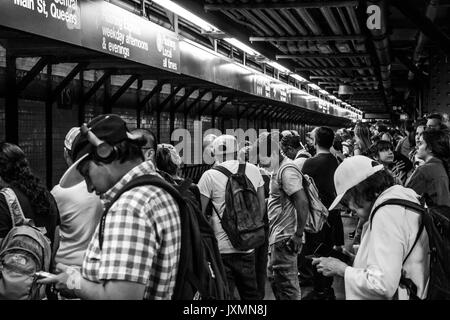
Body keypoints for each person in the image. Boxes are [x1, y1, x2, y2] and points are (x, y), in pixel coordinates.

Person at [40, 114, 181, 300]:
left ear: (105, 155)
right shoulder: (157, 190)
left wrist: (73, 282)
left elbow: (121, 297)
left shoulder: (129, 208)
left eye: (87, 174)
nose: (89, 187)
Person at [312, 156, 430, 300]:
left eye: (346, 201)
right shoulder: (404, 196)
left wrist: (342, 269)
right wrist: (354, 260)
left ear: (359, 191)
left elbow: (382, 284)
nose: (349, 209)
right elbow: (395, 259)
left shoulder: (386, 213)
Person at [197, 135, 265, 300]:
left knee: (225, 295)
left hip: (221, 248)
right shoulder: (253, 170)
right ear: (237, 150)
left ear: (214, 152)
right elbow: (261, 207)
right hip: (248, 245)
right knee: (250, 294)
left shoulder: (209, 176)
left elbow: (199, 212)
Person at [265, 132, 310, 300]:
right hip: (278, 235)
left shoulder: (287, 170)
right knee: (276, 278)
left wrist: (298, 234)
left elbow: (302, 202)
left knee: (288, 286)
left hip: (286, 236)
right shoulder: (279, 168)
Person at [52, 127, 103, 268]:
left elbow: (55, 233)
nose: (90, 187)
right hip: (97, 267)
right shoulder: (108, 187)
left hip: (65, 267)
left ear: (66, 154)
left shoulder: (59, 192)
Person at [301, 127, 342, 300]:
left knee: (314, 251)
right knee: (326, 249)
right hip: (333, 212)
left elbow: (304, 190)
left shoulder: (310, 163)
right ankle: (327, 286)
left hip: (317, 215)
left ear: (316, 142)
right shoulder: (335, 161)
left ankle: (319, 290)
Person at [0, 142, 60, 249]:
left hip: (13, 265)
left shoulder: (4, 199)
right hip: (46, 264)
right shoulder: (47, 195)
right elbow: (56, 238)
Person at [406, 129, 450, 207]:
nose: (417, 146)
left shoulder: (424, 170)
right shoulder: (442, 166)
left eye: (421, 143)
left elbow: (406, 199)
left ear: (430, 148)